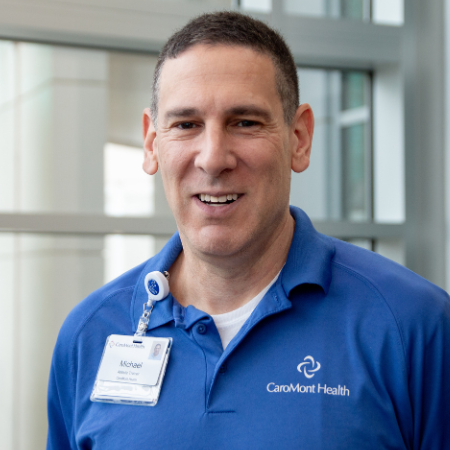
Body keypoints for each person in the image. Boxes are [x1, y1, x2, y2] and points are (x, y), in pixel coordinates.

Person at [47, 11, 450, 449]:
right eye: (186, 125)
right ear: (152, 143)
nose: (213, 158)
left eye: (245, 123)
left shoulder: (413, 326)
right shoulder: (89, 334)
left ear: (299, 138)